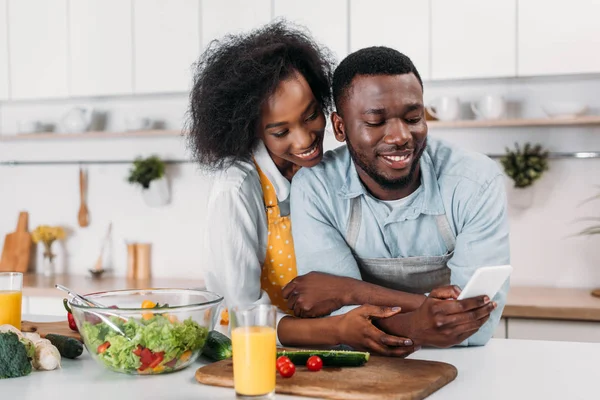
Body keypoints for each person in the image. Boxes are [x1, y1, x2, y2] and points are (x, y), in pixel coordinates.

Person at [188, 24, 413, 356]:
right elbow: (236, 317)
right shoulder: (236, 189)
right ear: (250, 130)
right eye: (281, 132)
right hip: (272, 360)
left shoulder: (331, 170)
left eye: (310, 116)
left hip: (348, 350)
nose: (305, 139)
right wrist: (335, 329)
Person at [285, 46, 510, 347]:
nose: (400, 136)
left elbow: (476, 325)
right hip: (362, 371)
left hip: (461, 366)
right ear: (340, 127)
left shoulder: (475, 181)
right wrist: (420, 319)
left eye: (413, 117)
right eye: (376, 122)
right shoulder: (316, 188)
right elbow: (335, 321)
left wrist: (349, 291)